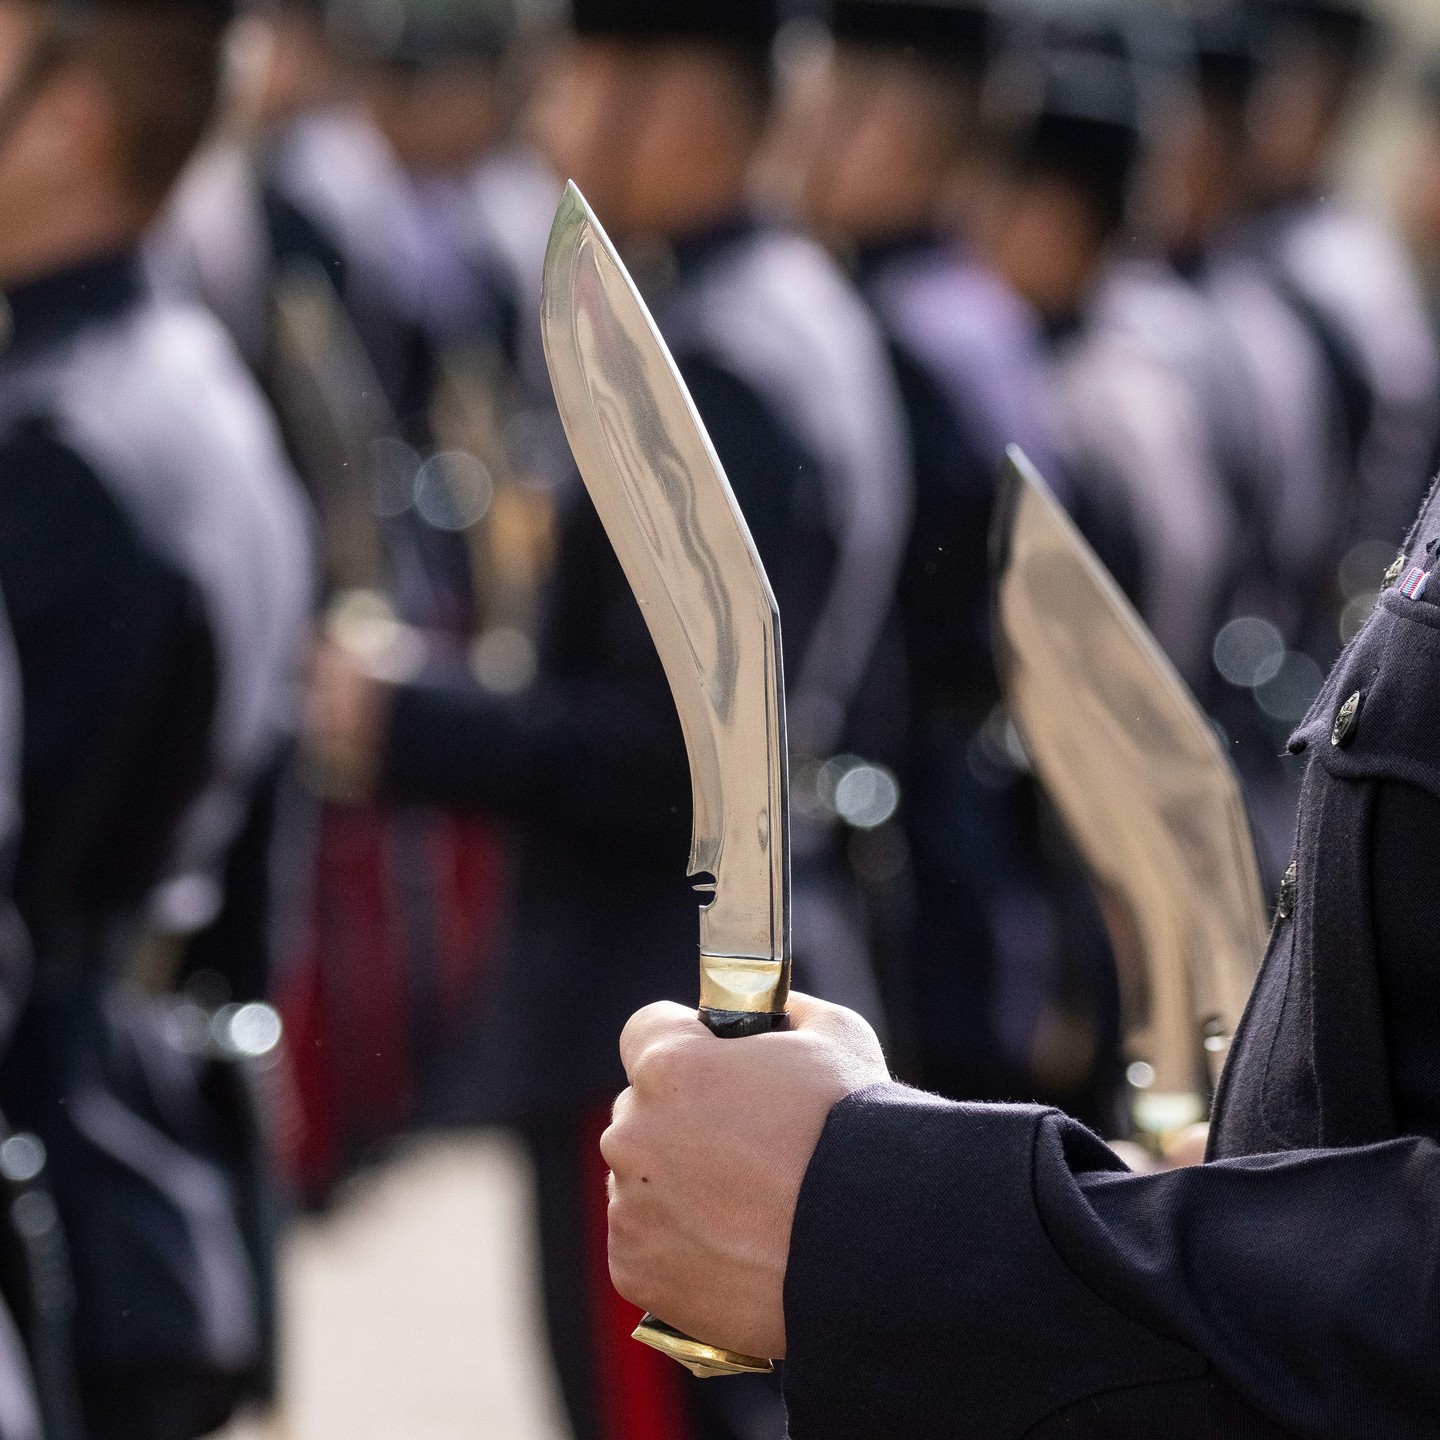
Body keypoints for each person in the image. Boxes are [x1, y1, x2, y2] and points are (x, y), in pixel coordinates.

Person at [307, 0, 911, 1433]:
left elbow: (666, 761)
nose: (551, 117)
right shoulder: (794, 311)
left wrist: (405, 724)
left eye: (581, 78)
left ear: (680, 105)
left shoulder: (711, 355)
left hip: (658, 1012)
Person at [0, 0, 314, 1434]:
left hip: (64, 1168)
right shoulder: (190, 386)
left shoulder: (57, 441)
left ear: (70, 120)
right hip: (158, 1137)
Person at [776, 0, 1118, 1118]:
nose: (807, 138)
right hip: (993, 818)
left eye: (838, 111)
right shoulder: (981, 310)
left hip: (923, 840)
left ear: (904, 129)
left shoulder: (890, 333)